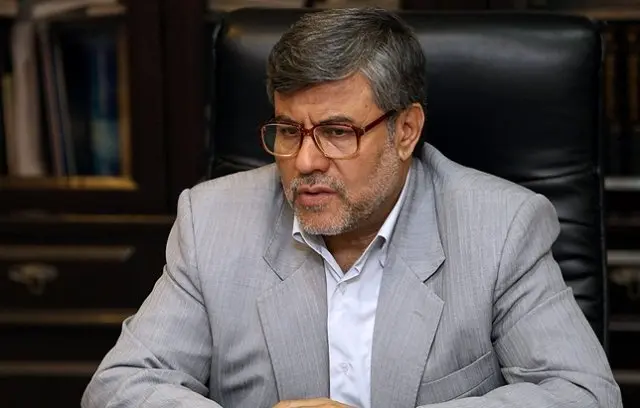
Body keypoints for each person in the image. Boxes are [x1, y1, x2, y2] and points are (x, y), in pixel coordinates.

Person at [82, 7, 622, 408]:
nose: (305, 161)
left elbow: (583, 393)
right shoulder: (212, 221)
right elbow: (120, 386)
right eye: (288, 130)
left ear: (406, 131)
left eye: (338, 132)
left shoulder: (500, 228)